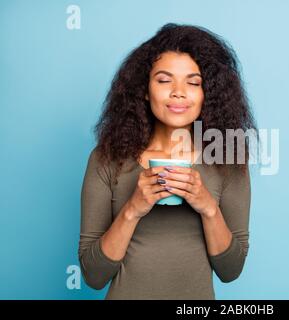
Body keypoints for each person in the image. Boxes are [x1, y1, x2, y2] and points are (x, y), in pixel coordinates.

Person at [78, 23, 257, 299]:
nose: (178, 92)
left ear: (207, 94)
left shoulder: (227, 158)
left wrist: (208, 207)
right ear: (145, 90)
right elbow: (93, 275)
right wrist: (133, 209)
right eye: (164, 80)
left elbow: (230, 270)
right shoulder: (107, 158)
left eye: (193, 82)